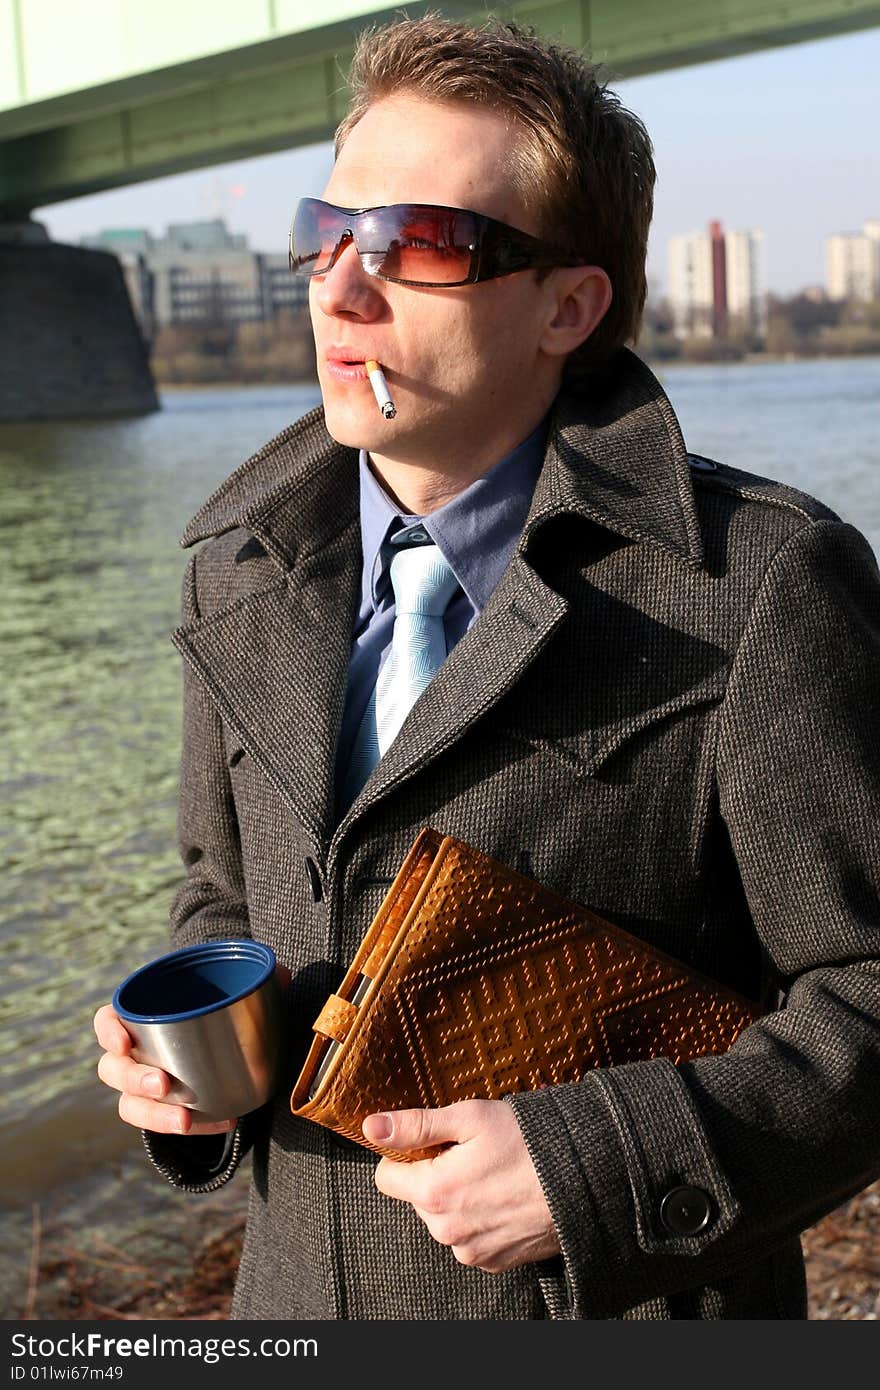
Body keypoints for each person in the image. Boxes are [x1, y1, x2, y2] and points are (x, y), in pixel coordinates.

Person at [93, 15, 880, 1320]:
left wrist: (593, 1165)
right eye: (326, 230)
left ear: (568, 305)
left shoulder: (759, 587)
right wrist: (188, 1067)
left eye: (422, 244)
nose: (340, 289)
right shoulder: (233, 562)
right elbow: (219, 894)